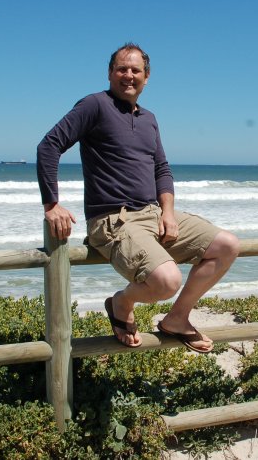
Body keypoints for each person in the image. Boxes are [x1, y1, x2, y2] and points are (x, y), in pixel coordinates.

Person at [36, 43, 239, 353]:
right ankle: (122, 302)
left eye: (135, 70)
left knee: (227, 246)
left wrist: (167, 212)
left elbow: (162, 168)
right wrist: (52, 205)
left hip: (152, 213)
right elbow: (49, 146)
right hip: (113, 220)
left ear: (146, 77)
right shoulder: (94, 105)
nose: (128, 75)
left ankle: (177, 318)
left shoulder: (149, 119)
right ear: (109, 73)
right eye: (121, 69)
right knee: (167, 281)